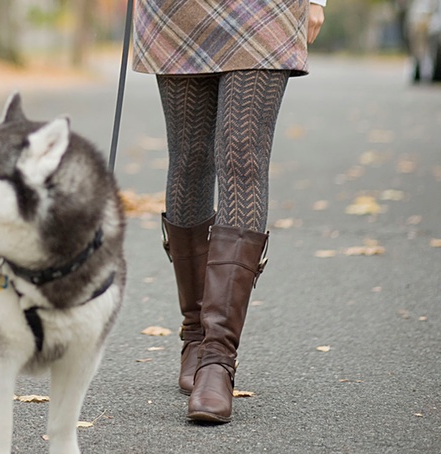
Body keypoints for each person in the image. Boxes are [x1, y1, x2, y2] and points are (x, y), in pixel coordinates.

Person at [132, 0, 326, 422]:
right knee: (189, 159)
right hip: (177, 9)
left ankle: (218, 359)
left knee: (243, 156)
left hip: (266, 8)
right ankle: (195, 334)